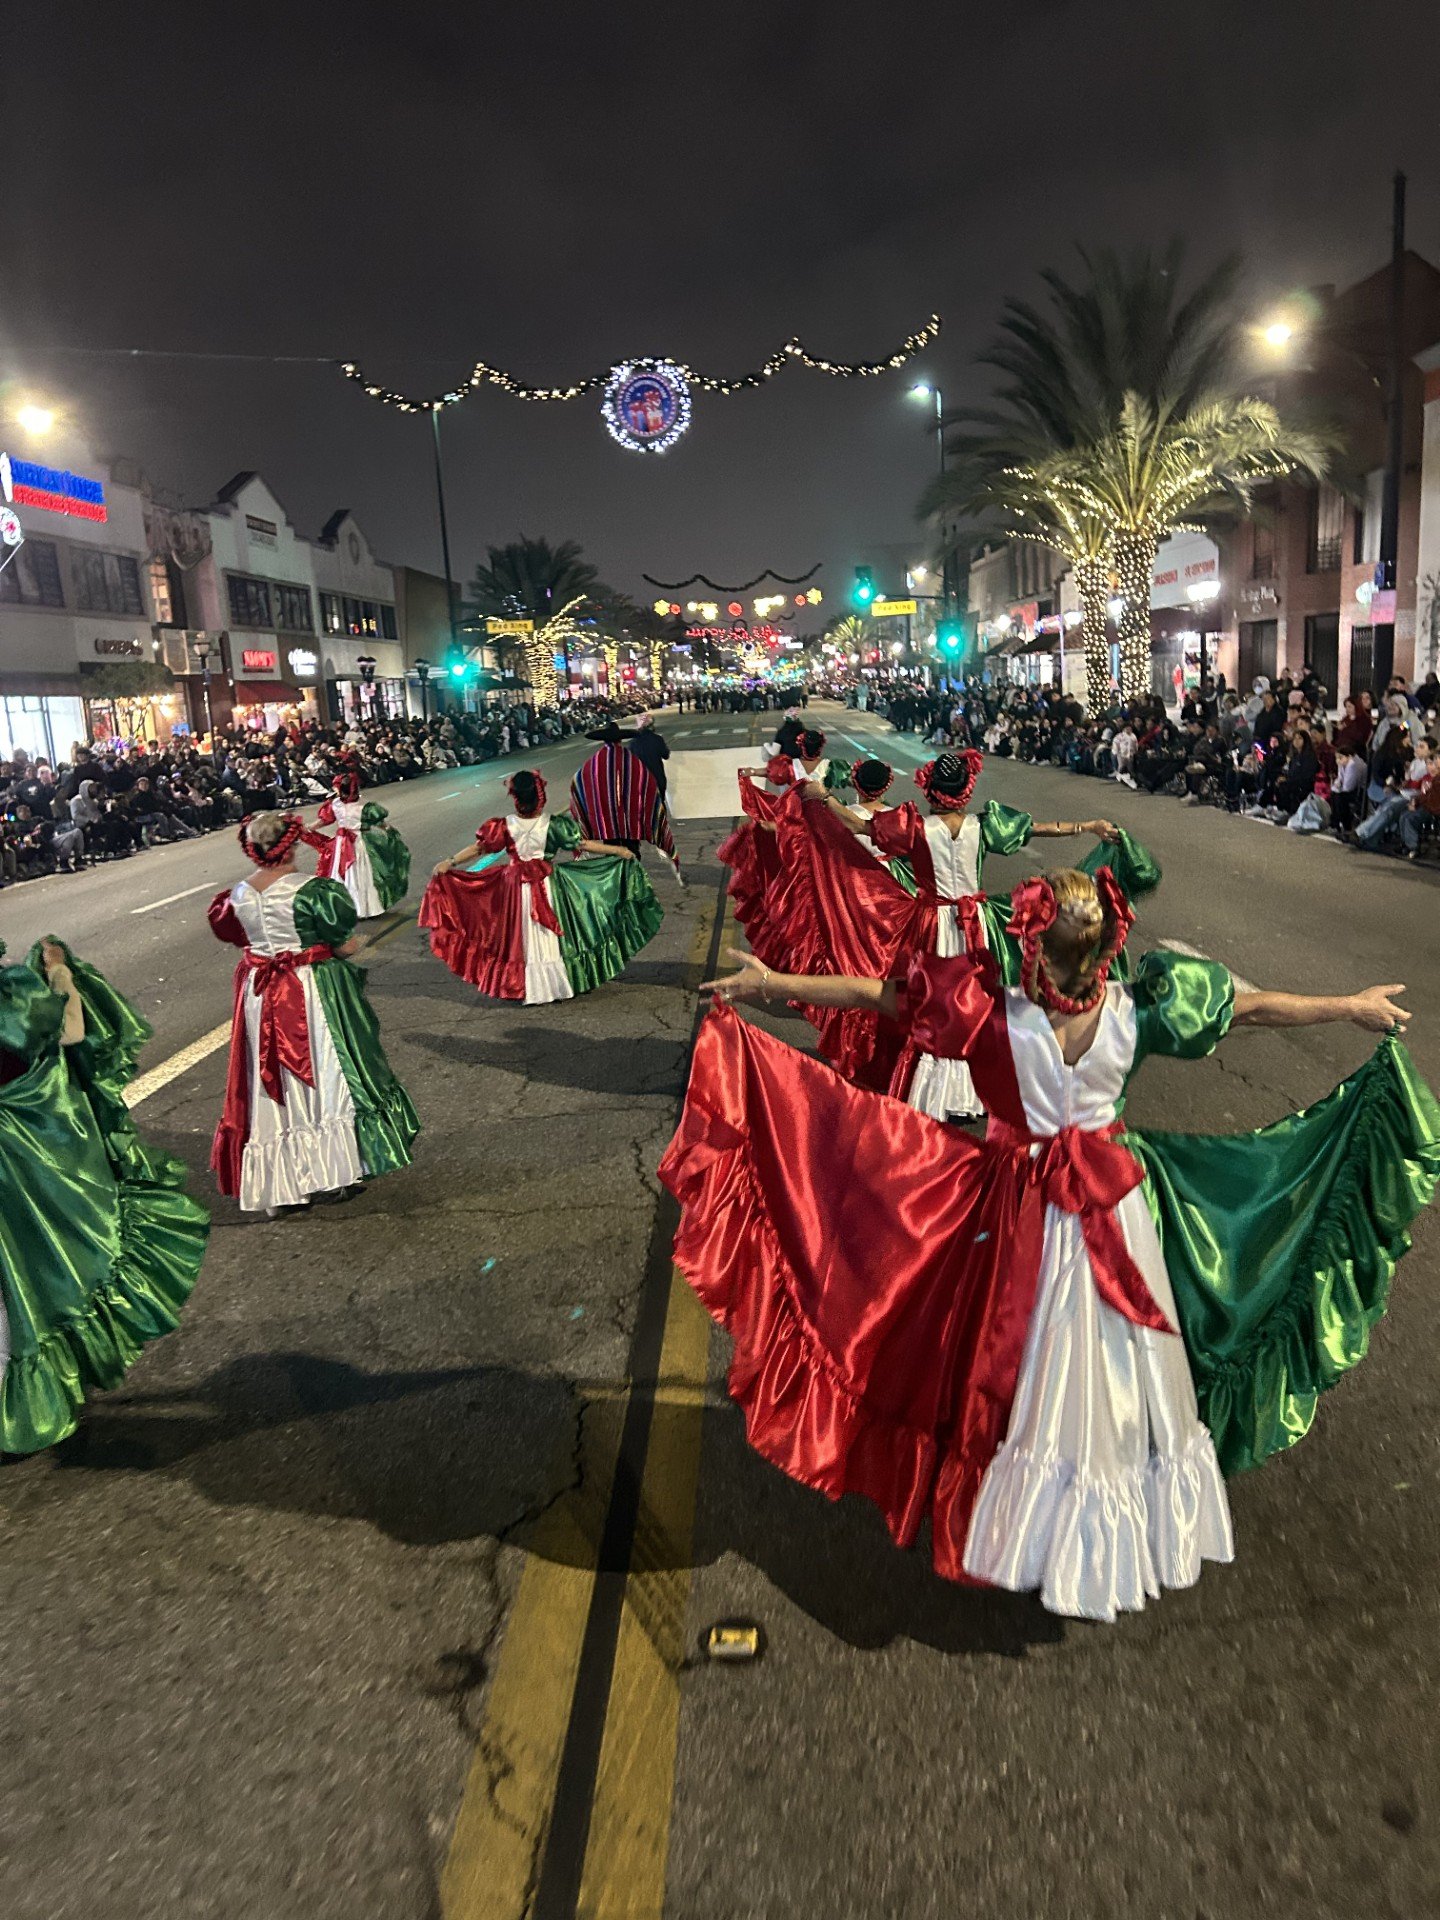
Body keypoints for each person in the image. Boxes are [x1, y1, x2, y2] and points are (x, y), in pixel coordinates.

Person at [663, 869, 1439, 1621]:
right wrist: (1351, 1005)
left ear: (1034, 950)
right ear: (1108, 955)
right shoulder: (1139, 1013)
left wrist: (770, 984)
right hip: (1116, 1212)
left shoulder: (990, 1017)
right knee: (1116, 1371)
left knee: (1012, 1364)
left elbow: (882, 996)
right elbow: (1257, 1008)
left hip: (1014, 1213)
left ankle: (1024, 1530)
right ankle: (1110, 1538)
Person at [0, 934, 209, 1453]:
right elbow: (70, 1033)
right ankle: (23, 1406)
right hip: (17, 1152)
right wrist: (60, 974)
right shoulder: (10, 993)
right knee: (29, 1271)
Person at [208, 812, 418, 1217]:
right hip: (309, 990)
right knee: (325, 1070)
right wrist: (352, 946)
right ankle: (333, 1171)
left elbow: (237, 936)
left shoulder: (235, 897)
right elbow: (340, 944)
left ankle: (278, 1185)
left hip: (260, 993)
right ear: (293, 845)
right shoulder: (314, 892)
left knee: (270, 1082)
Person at [421, 770, 663, 1004]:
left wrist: (450, 862)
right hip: (549, 886)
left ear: (516, 798)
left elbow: (479, 849)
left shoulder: (503, 825)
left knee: (518, 936)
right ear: (540, 796)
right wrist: (618, 850)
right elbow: (583, 844)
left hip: (514, 888)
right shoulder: (554, 824)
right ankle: (556, 982)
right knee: (551, 933)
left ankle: (526, 985)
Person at [571, 726, 681, 878]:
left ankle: (616, 882)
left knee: (611, 850)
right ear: (620, 739)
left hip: (606, 820)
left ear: (604, 740)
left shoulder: (593, 763)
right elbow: (647, 782)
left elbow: (579, 783)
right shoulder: (631, 760)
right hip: (631, 819)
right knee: (632, 852)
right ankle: (633, 880)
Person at [311, 768, 410, 918]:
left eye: (337, 788)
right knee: (357, 874)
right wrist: (308, 828)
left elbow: (324, 821)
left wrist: (309, 827)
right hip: (348, 844)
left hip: (354, 843)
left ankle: (357, 907)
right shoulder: (341, 804)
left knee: (356, 874)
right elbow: (325, 820)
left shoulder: (359, 806)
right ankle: (356, 907)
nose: (335, 791)